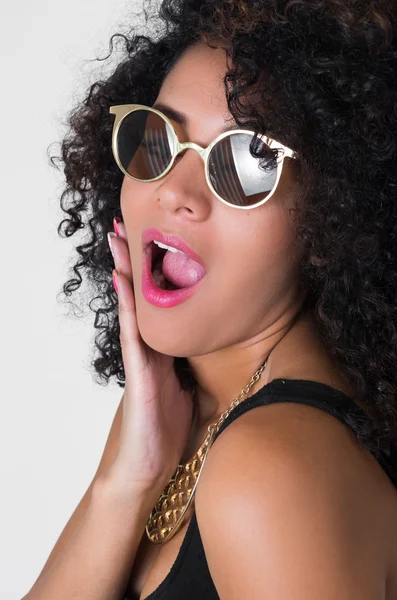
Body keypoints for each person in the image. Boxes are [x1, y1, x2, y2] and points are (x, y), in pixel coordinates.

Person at [23, 0, 397, 598]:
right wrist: (124, 482)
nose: (175, 190)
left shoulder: (273, 472)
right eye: (157, 138)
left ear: (333, 216)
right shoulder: (178, 415)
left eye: (247, 163)